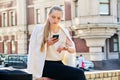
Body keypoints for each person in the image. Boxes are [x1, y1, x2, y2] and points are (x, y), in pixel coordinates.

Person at [27, 5, 86, 80]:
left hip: (58, 64)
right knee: (79, 73)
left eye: (58, 18)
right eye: (53, 17)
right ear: (48, 16)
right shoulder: (39, 30)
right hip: (44, 65)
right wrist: (47, 44)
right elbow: (33, 50)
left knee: (77, 74)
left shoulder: (63, 31)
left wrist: (65, 48)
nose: (55, 20)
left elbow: (73, 50)